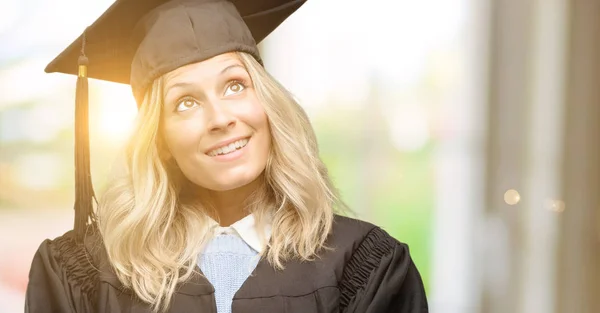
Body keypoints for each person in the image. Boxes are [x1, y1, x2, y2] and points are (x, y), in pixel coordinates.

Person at [24, 0, 429, 312]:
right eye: (185, 102)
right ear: (159, 138)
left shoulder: (363, 264)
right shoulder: (87, 272)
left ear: (268, 104)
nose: (220, 119)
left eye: (235, 85)